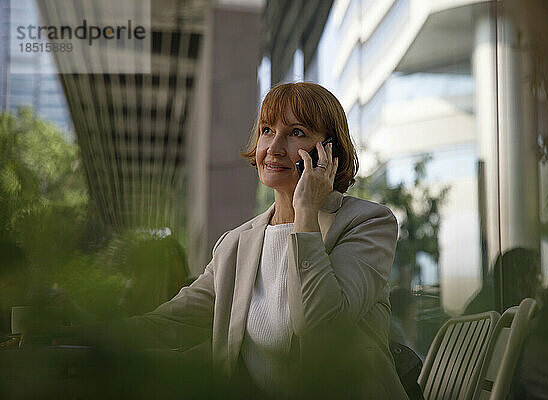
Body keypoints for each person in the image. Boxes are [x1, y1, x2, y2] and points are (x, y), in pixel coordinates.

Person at [84, 82, 408, 399]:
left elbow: (322, 328)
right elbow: (172, 322)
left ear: (329, 151)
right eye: (267, 130)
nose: (274, 147)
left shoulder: (367, 223)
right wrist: (76, 334)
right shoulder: (235, 245)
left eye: (296, 133)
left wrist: (305, 213)